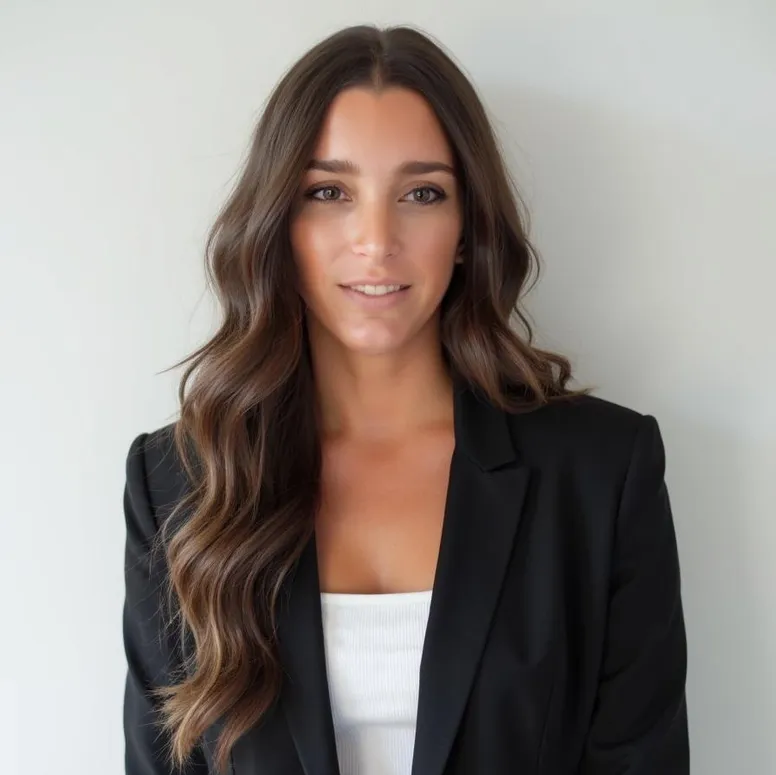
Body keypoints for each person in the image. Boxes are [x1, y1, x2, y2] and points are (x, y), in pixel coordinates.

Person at [122, 23, 689, 775]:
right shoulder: (181, 483)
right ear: (278, 226)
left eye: (422, 193)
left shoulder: (600, 472)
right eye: (329, 192)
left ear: (465, 228)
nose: (376, 238)